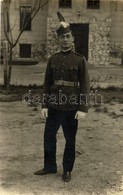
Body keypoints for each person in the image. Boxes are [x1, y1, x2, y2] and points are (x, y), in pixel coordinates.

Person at [34, 13, 89, 182]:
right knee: (48, 136)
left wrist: (82, 108)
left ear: (72, 38)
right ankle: (50, 166)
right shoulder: (53, 59)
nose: (65, 40)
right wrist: (44, 105)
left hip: (71, 107)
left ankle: (67, 170)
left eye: (67, 36)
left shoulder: (80, 60)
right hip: (53, 106)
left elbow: (85, 85)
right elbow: (46, 84)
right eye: (61, 37)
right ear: (58, 40)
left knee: (69, 139)